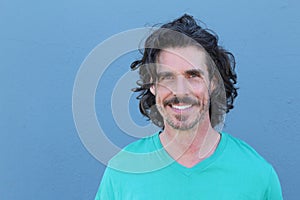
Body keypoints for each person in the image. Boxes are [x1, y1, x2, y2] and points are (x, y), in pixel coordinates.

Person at [95, 14, 283, 199]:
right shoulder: (122, 171)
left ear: (213, 82)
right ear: (152, 85)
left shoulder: (258, 175)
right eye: (167, 77)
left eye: (193, 75)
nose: (180, 91)